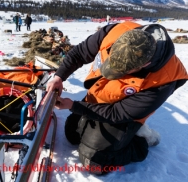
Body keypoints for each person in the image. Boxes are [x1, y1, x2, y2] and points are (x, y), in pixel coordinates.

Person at [46, 21, 188, 174]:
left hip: (123, 113)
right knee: (72, 133)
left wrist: (73, 106)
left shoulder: (164, 80)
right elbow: (79, 53)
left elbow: (117, 113)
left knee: (94, 161)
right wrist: (59, 76)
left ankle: (141, 141)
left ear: (145, 64)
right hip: (101, 96)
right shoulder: (115, 31)